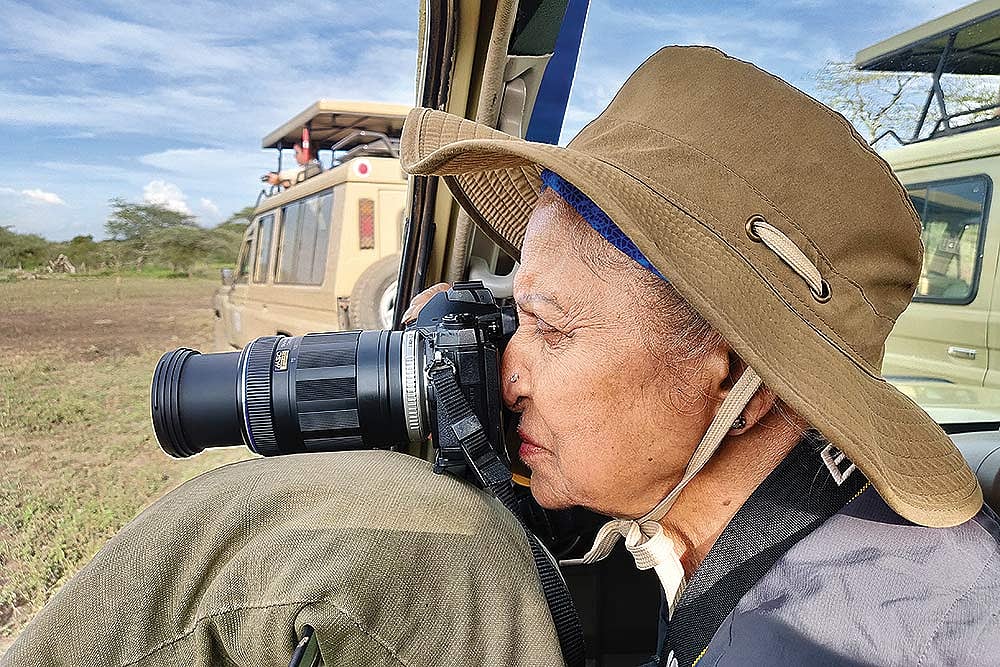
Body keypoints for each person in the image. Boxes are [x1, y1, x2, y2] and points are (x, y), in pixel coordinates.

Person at [6, 46, 999, 666]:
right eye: (507, 311)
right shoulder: (812, 539)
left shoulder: (819, 637)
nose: (507, 367)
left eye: (552, 327)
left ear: (739, 382)